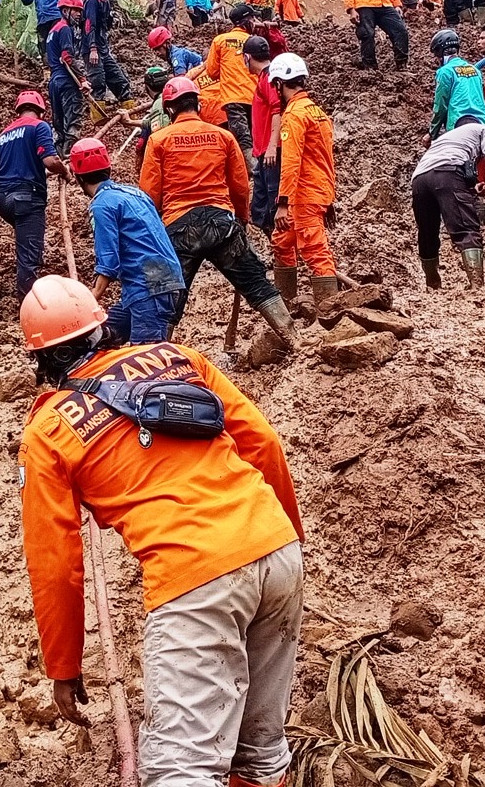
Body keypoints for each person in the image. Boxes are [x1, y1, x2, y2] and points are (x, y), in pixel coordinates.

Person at [16, 275, 304, 787]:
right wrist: (285, 539)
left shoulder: (48, 432)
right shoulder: (179, 358)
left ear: (39, 359)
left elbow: (56, 561)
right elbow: (263, 444)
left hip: (195, 575)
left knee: (179, 770)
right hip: (275, 547)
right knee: (260, 751)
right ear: (100, 330)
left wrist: (63, 666)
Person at [140, 74, 298, 345]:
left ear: (169, 108)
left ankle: (158, 353)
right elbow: (240, 186)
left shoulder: (159, 141)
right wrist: (242, 219)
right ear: (197, 105)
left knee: (168, 296)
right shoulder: (223, 137)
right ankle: (295, 340)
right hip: (221, 223)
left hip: (178, 227)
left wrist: (155, 235)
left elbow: (149, 194)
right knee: (256, 282)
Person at [70, 137, 186, 343]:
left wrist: (87, 302)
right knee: (99, 339)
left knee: (148, 360)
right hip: (159, 283)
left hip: (148, 289)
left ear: (78, 177)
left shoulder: (102, 206)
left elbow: (108, 263)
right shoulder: (135, 193)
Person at [269, 54, 338, 312]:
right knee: (282, 241)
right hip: (316, 190)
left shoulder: (295, 115)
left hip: (303, 194)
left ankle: (330, 312)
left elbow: (291, 161)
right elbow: (326, 157)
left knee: (314, 248)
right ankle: (287, 306)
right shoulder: (317, 112)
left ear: (279, 84)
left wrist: (283, 202)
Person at [412, 112, 485, 289]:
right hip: (447, 173)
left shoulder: (446, 139)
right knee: (466, 229)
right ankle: (477, 286)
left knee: (427, 232)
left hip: (419, 180)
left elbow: (461, 178)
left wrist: (476, 187)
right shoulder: (482, 130)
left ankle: (432, 284)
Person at [0, 90, 69, 301]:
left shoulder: (4, 134)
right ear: (41, 112)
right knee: (29, 256)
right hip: (27, 198)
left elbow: (18, 167)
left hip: (3, 199)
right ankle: (28, 305)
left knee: (26, 245)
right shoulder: (39, 126)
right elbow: (50, 161)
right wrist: (64, 170)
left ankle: (28, 284)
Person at [200, 4, 259, 163]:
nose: (255, 21)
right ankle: (258, 172)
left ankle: (251, 172)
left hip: (233, 98)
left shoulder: (220, 40)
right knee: (256, 135)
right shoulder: (255, 41)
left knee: (242, 137)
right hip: (255, 97)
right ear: (246, 21)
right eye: (253, 18)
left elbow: (212, 72)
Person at [44, 0, 93, 151]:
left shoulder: (52, 31)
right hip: (67, 81)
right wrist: (83, 79)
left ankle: (58, 160)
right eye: (75, 10)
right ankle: (69, 159)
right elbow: (67, 57)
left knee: (58, 125)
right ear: (65, 11)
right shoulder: (64, 29)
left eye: (80, 11)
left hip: (54, 82)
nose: (79, 14)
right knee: (73, 122)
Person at [246, 36, 283, 238]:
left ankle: (281, 245)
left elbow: (276, 110)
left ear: (247, 57)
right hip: (263, 151)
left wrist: (271, 145)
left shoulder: (268, 79)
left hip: (270, 152)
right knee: (260, 206)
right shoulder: (264, 78)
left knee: (272, 199)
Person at [427, 29, 485, 140]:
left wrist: (432, 133)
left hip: (459, 128)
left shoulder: (445, 72)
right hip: (483, 127)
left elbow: (441, 106)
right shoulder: (475, 70)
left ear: (440, 53)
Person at [83, 0, 134, 106]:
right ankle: (99, 121)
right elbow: (89, 26)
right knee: (98, 83)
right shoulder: (93, 1)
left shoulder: (106, 3)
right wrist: (93, 48)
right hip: (92, 50)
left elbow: (104, 27)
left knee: (120, 81)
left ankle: (130, 113)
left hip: (103, 49)